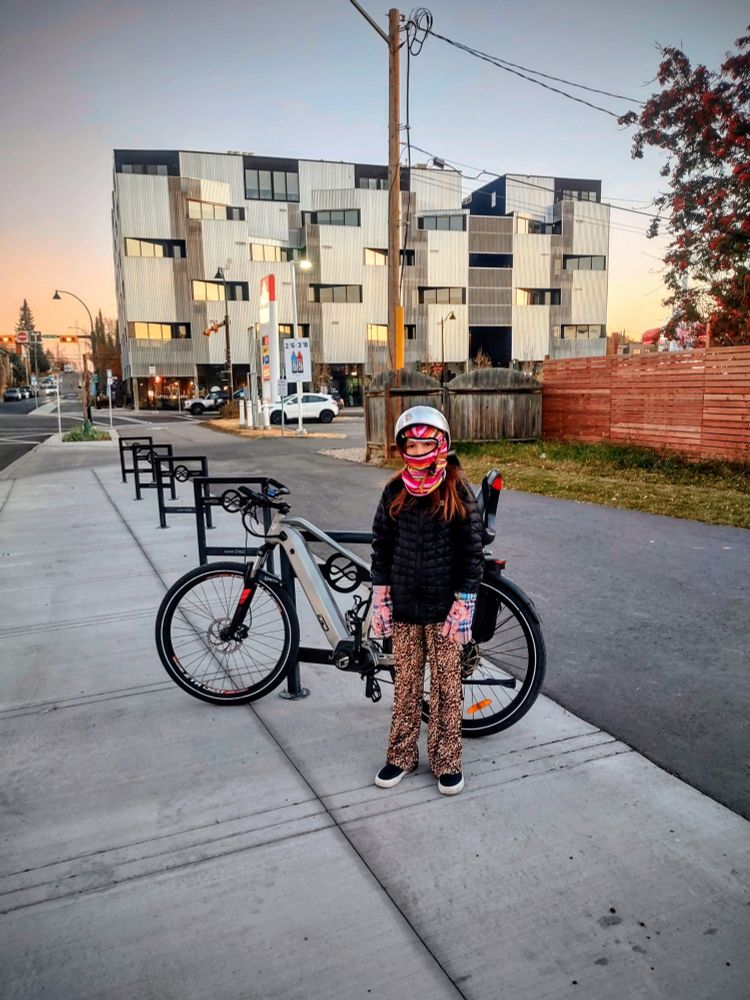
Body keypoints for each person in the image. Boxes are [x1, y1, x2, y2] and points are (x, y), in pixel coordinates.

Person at [370, 406, 484, 796]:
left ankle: (446, 760)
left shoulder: (457, 491)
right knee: (406, 685)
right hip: (403, 608)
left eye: (425, 442)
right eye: (410, 443)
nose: (417, 450)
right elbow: (381, 548)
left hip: (444, 611)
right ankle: (400, 755)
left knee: (446, 689)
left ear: (442, 445)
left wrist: (463, 603)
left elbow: (472, 554)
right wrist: (381, 598)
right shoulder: (393, 491)